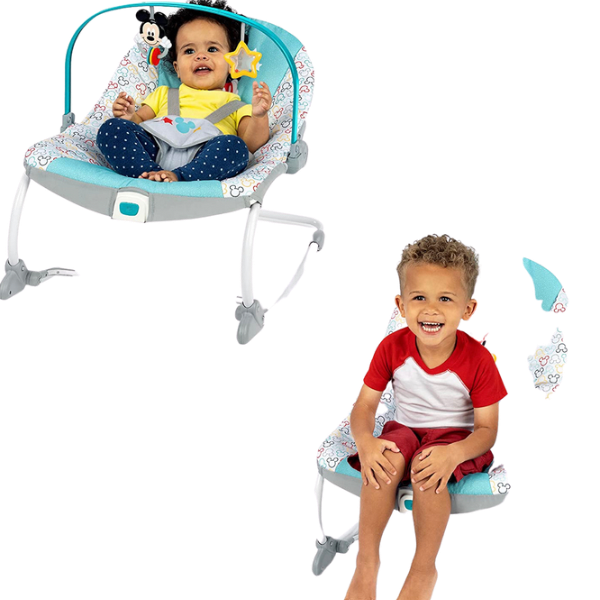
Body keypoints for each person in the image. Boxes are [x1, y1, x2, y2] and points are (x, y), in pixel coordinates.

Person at [344, 234, 509, 600]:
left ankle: (423, 567)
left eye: (445, 299)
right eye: (419, 298)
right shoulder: (391, 347)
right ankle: (366, 561)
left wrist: (454, 454)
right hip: (405, 429)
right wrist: (366, 442)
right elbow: (365, 406)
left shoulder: (479, 361)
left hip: (456, 439)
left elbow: (487, 429)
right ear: (401, 305)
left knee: (427, 468)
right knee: (383, 460)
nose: (431, 310)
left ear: (468, 309)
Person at [97, 1, 271, 182]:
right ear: (177, 68)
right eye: (189, 51)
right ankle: (150, 173)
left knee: (236, 147)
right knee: (112, 128)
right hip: (154, 151)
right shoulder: (163, 93)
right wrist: (129, 116)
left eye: (212, 49)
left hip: (204, 159)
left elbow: (251, 144)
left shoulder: (236, 105)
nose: (201, 56)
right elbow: (138, 123)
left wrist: (259, 116)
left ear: (231, 63)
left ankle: (181, 177)